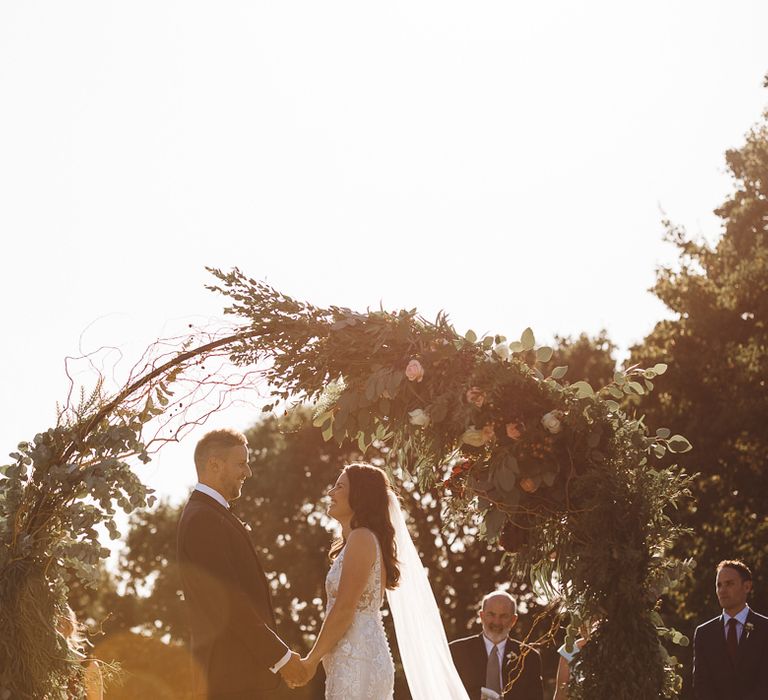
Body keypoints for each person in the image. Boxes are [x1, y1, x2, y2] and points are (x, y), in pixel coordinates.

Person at [298, 462, 470, 699]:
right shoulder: (356, 541)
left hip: (358, 659)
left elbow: (345, 608)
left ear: (359, 495)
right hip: (352, 657)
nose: (331, 493)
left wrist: (311, 661)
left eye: (339, 487)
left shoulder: (361, 538)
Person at [177, 428, 307, 699]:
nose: (247, 472)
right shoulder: (203, 519)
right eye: (241, 463)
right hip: (232, 680)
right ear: (214, 464)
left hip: (242, 677)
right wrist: (281, 658)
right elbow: (229, 601)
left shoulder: (212, 514)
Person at [692, 559, 768, 700]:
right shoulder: (704, 634)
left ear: (747, 587)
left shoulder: (765, 629)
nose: (722, 590)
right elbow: (701, 685)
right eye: (719, 585)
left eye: (729, 584)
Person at [450, 591, 544, 700]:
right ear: (482, 616)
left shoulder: (529, 657)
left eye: (504, 616)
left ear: (513, 620)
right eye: (491, 614)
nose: (497, 622)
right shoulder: (456, 651)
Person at [58, 605, 104, 700]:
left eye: (58, 623)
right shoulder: (39, 663)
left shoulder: (89, 666)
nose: (53, 630)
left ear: (69, 628)